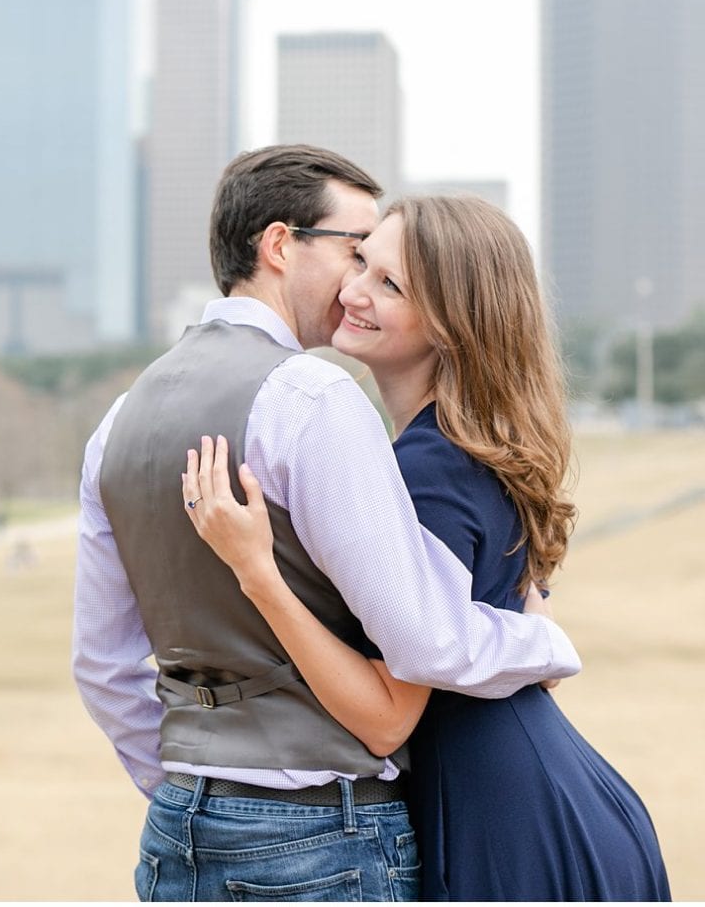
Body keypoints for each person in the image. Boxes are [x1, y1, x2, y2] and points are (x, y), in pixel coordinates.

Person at [73, 147, 582, 903]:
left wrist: (200, 789)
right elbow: (422, 642)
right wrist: (542, 640)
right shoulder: (313, 398)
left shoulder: (119, 421)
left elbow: (103, 668)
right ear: (280, 245)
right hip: (320, 834)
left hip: (177, 831)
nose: (358, 281)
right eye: (355, 250)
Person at [182, 194, 671, 901]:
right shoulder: (462, 445)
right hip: (542, 790)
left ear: (451, 324)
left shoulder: (426, 467)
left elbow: (403, 687)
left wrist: (258, 573)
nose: (353, 292)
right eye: (360, 263)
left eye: (391, 285)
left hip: (503, 816)